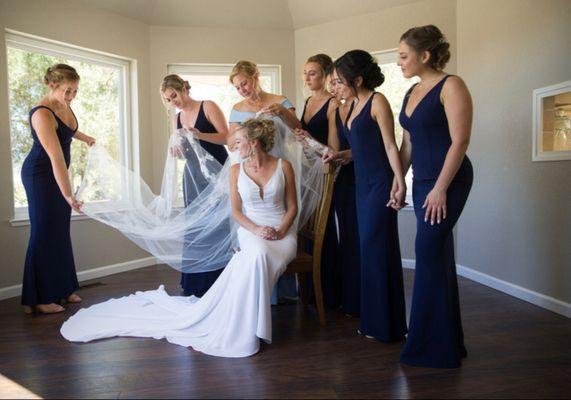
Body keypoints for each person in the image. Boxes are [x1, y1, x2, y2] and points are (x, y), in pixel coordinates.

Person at [61, 118, 300, 358]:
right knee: (256, 253)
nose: (234, 147)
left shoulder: (284, 166)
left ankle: (252, 322)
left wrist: (280, 230)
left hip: (283, 234)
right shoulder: (236, 170)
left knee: (254, 259)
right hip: (251, 230)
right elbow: (237, 212)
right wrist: (257, 230)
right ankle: (248, 326)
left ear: (254, 142)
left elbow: (292, 208)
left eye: (238, 141)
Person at [397, 25, 473, 368]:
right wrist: (398, 180)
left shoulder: (452, 85)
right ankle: (446, 343)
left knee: (427, 253)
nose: (399, 62)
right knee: (437, 255)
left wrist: (441, 187)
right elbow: (409, 143)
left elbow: (460, 141)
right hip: (422, 181)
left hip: (450, 181)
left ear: (424, 55)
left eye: (403, 56)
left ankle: (427, 345)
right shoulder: (411, 92)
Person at [329, 50, 408, 341]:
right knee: (367, 252)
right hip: (360, 186)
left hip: (380, 184)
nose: (336, 86)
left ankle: (387, 325)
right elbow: (360, 148)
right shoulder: (350, 105)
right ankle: (373, 320)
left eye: (340, 80)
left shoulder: (378, 101)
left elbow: (390, 146)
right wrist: (340, 156)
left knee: (377, 251)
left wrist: (400, 183)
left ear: (358, 79)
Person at [21, 64, 95, 314]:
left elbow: (66, 131)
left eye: (75, 91)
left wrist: (84, 138)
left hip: (57, 173)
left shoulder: (64, 105)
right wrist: (68, 194)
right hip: (40, 175)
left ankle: (62, 288)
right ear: (52, 85)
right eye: (67, 91)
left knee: (60, 231)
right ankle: (39, 298)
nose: (71, 96)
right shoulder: (41, 114)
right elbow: (56, 158)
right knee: (43, 232)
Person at [228, 60, 300, 304]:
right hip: (252, 166)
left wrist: (281, 112)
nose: (242, 90)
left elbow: (298, 129)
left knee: (282, 212)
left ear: (256, 76)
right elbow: (232, 143)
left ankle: (285, 294)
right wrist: (246, 131)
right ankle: (259, 300)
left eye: (244, 83)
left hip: (279, 165)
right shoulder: (237, 109)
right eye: (238, 87)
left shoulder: (280, 99)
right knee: (256, 224)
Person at [160, 74, 229, 297]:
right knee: (196, 227)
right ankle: (196, 283)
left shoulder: (207, 106)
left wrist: (199, 135)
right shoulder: (177, 118)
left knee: (218, 225)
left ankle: (220, 281)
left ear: (183, 89)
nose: (173, 102)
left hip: (217, 174)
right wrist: (176, 150)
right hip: (192, 178)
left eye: (174, 96)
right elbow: (183, 151)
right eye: (168, 100)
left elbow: (226, 138)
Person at [323, 68, 361, 317]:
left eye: (336, 83)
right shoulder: (334, 110)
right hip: (343, 177)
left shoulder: (363, 104)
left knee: (358, 237)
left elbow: (372, 146)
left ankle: (361, 299)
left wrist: (344, 155)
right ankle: (349, 298)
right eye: (331, 84)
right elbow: (333, 147)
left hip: (364, 175)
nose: (333, 89)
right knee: (346, 235)